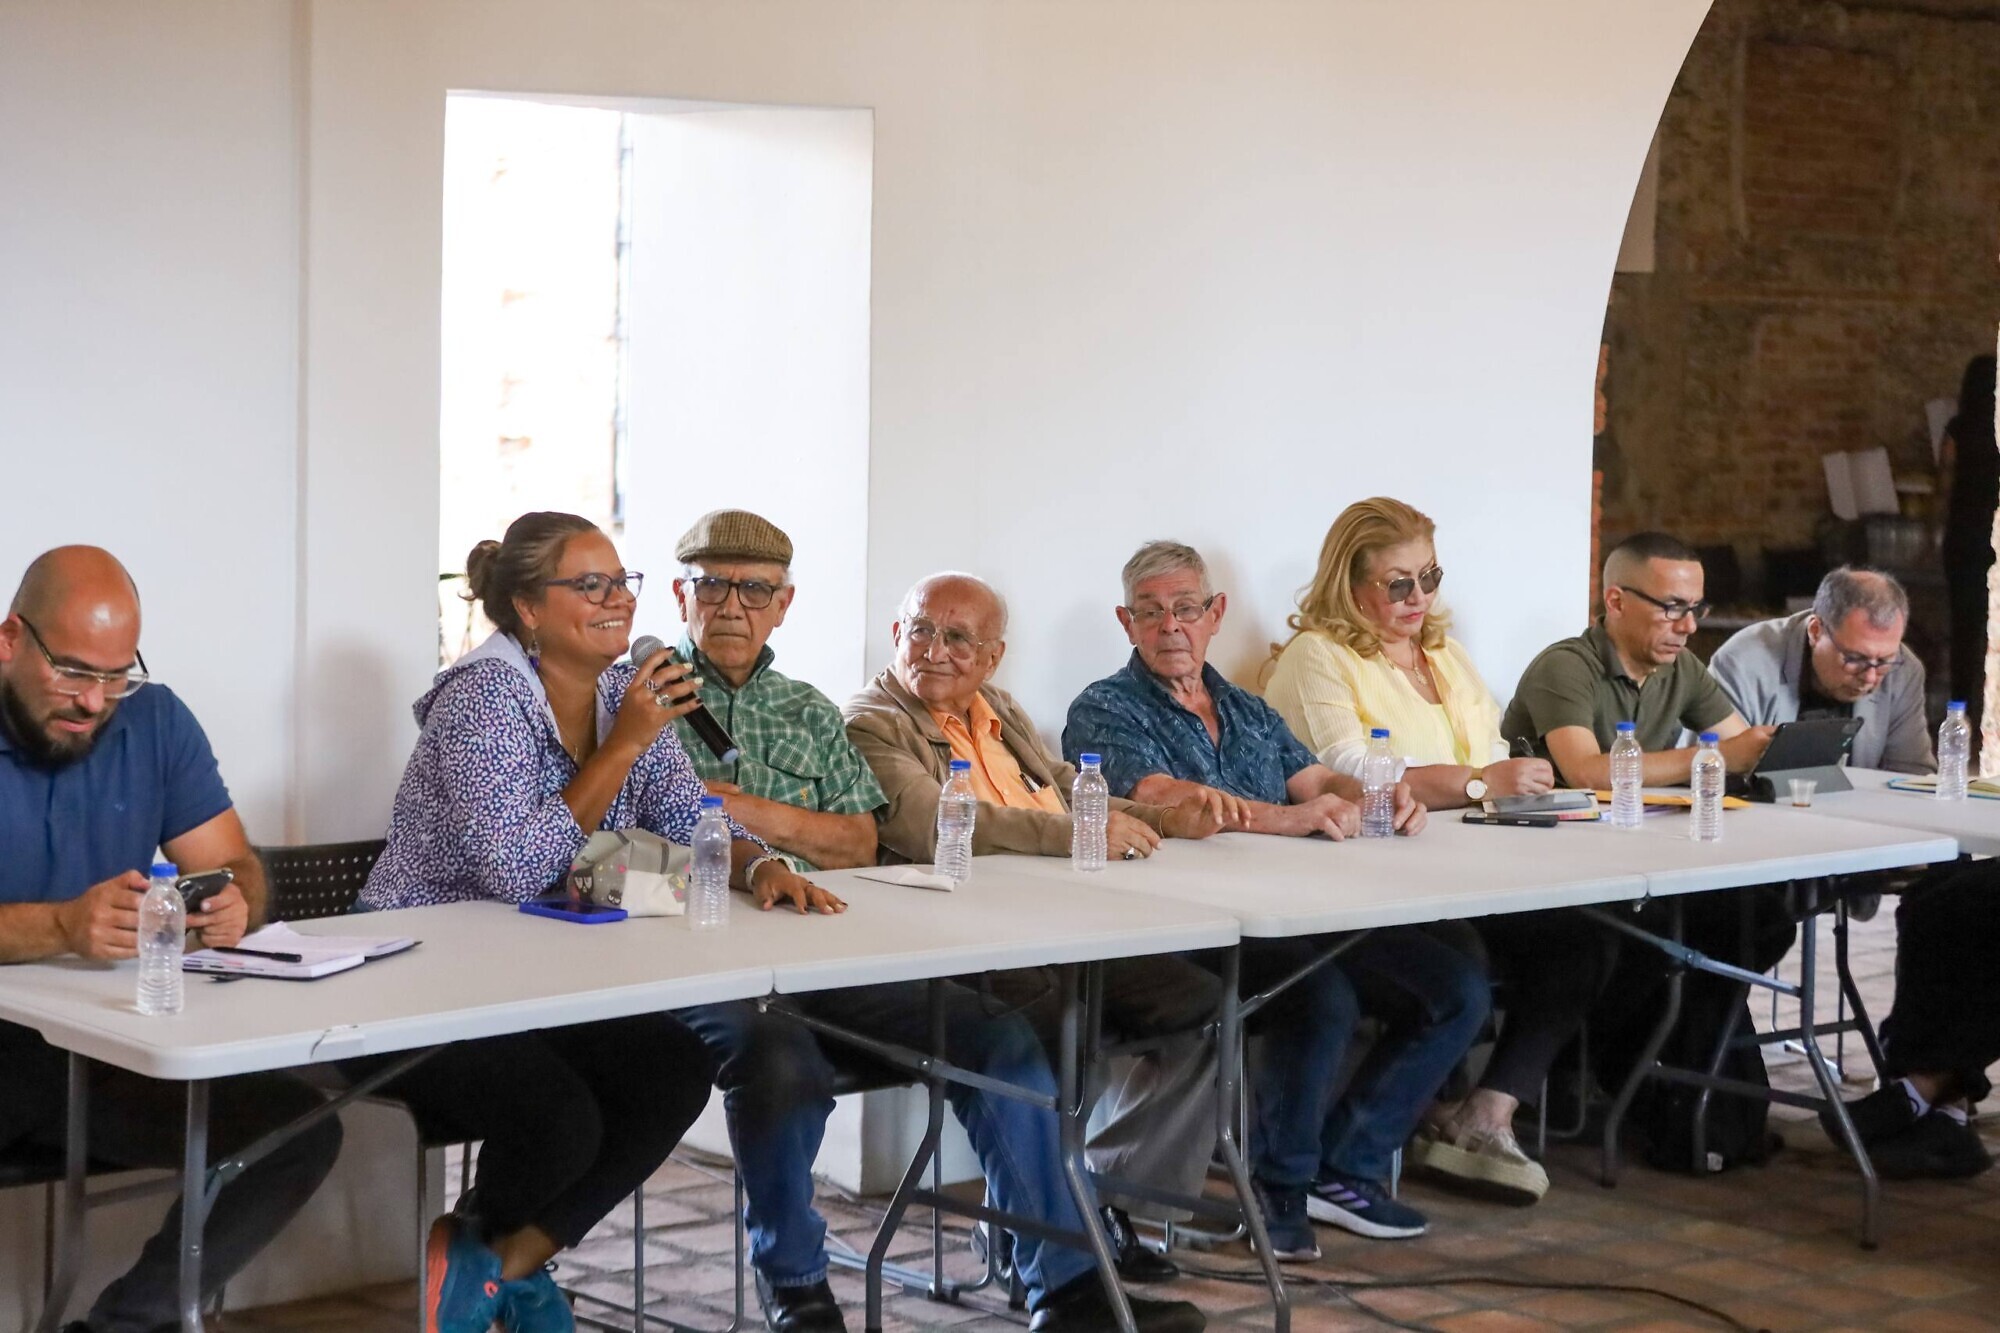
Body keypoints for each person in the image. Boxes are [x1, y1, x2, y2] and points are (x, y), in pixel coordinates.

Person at [360, 512, 758, 1333]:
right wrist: (622, 748)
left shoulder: (621, 692)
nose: (618, 599)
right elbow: (514, 867)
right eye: (591, 584)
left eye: (622, 582)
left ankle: (498, 1266)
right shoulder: (483, 698)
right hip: (420, 981)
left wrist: (758, 865)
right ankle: (488, 1271)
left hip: (535, 976)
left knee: (673, 1067)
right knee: (561, 1118)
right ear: (529, 608)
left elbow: (686, 815)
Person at [1064, 540, 1488, 1255]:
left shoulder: (1247, 708)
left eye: (1186, 608)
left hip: (1298, 909)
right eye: (1151, 612)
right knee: (1320, 997)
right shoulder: (1105, 708)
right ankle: (1281, 1186)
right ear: (1126, 621)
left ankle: (1346, 1167)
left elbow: (1315, 781)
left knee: (1456, 988)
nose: (1171, 626)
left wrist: (1380, 794)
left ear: (1215, 614)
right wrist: (1287, 820)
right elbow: (1165, 798)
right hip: (1196, 923)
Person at [842, 570, 1229, 1279]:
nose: (935, 650)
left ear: (993, 658)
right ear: (896, 634)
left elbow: (1063, 790)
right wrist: (1082, 833)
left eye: (958, 638)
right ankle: (1042, 1234)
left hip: (1065, 923)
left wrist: (1164, 819)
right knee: (1055, 1016)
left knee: (1206, 1007)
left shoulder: (998, 709)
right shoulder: (873, 721)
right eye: (921, 630)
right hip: (967, 939)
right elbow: (929, 822)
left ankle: (1097, 1199)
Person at [0, 546, 343, 1333]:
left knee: (296, 1132)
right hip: (9, 1054)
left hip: (106, 1051)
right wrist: (58, 926)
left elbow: (233, 867)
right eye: (73, 672)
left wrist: (231, 903)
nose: (94, 701)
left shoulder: (154, 720)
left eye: (116, 676)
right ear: (10, 639)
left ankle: (124, 1326)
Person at [1265, 498, 1602, 1205]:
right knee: (1460, 964)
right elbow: (1349, 769)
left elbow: (1493, 750)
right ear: (1350, 584)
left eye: (1430, 577)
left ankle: (1485, 1115)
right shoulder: (1317, 656)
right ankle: (1373, 1142)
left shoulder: (1444, 653)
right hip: (1375, 879)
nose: (1418, 597)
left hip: (1474, 863)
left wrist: (1510, 782)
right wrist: (1480, 782)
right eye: (1398, 583)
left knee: (1583, 940)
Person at [1500, 531, 1775, 788]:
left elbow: (1746, 750)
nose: (1689, 626)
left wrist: (1762, 749)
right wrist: (1713, 756)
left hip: (1633, 817)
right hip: (1543, 821)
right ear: (1616, 602)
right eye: (1673, 608)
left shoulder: (1682, 666)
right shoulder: (1565, 666)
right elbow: (1585, 773)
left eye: (1696, 608)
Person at [1708, 566, 1933, 774]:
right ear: (1815, 631)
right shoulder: (1743, 662)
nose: (1870, 677)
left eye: (1884, 661)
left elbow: (1912, 776)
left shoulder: (1904, 670)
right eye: (1855, 658)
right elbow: (1712, 769)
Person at [1939, 354, 1996, 763]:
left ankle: (1961, 715)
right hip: (1995, 539)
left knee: (1964, 631)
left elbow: (1944, 482)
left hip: (1963, 537)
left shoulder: (1957, 429)